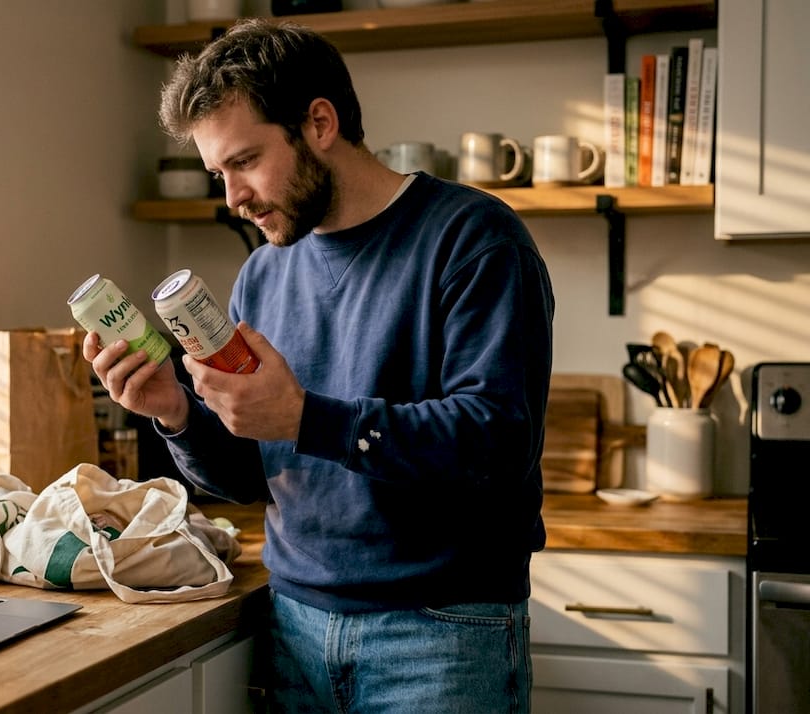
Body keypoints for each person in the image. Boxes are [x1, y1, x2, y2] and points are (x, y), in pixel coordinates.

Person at [84, 19, 554, 714]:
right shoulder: (263, 275)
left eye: (244, 162)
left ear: (321, 123)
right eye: (219, 174)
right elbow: (253, 474)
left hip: (442, 637)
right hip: (295, 629)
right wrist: (175, 413)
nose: (232, 199)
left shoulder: (474, 239)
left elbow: (497, 441)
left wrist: (308, 418)